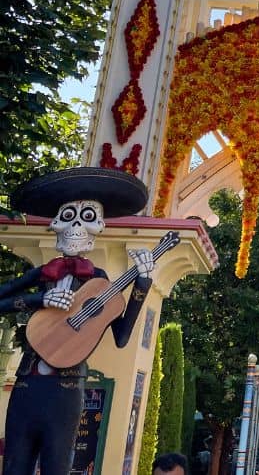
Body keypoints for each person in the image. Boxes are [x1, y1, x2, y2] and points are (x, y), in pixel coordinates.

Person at [0, 167, 156, 475]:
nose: (75, 227)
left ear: (99, 227)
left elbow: (122, 336)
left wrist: (143, 284)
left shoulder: (99, 281)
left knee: (58, 465)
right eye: (68, 216)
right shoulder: (44, 273)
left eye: (88, 218)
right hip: (27, 384)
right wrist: (37, 299)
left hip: (67, 389)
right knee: (15, 465)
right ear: (56, 223)